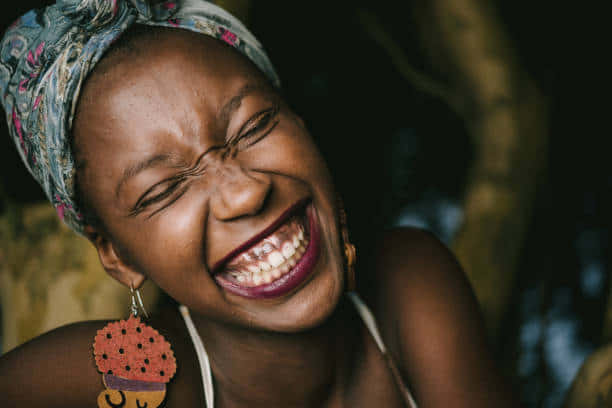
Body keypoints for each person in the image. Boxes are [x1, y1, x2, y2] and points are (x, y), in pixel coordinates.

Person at [0, 1, 520, 407]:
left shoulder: (408, 285)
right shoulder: (119, 379)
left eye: (254, 126)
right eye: (164, 189)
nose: (245, 191)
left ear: (300, 122)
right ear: (117, 254)